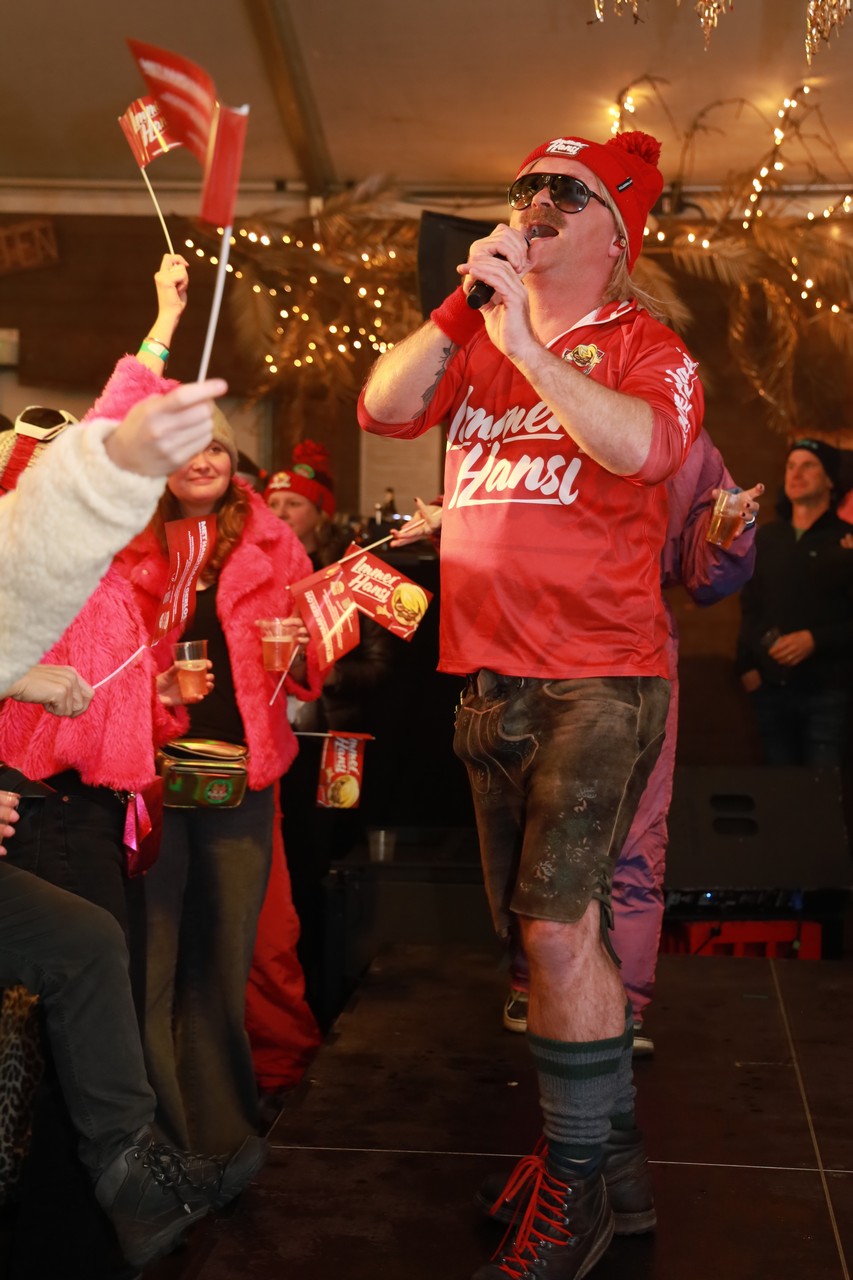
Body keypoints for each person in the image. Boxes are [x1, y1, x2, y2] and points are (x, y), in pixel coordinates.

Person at [358, 130, 705, 1279]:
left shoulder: (648, 347)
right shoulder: (474, 335)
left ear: (617, 234)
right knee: (546, 937)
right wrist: (465, 311)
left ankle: (575, 1190)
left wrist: (525, 344)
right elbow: (381, 405)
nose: (536, 200)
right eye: (525, 187)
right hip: (488, 676)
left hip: (599, 676)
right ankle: (613, 1169)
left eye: (569, 189)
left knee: (557, 925)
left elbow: (643, 448)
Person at [0, 385, 268, 1271]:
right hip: (41, 805)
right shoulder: (29, 556)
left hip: (86, 803)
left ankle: (114, 1206)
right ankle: (75, 1233)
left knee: (92, 986)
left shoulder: (86, 563)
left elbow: (92, 683)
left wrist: (147, 694)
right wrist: (20, 678)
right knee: (65, 1024)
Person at [393, 447, 762, 1057]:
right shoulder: (523, 415)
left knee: (628, 838)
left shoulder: (673, 428)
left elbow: (705, 573)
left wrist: (733, 525)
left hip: (624, 658)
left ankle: (622, 1003)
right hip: (516, 649)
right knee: (523, 832)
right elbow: (505, 514)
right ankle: (532, 983)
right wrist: (451, 520)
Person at [113, 258, 321, 1153]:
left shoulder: (274, 546)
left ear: (234, 459)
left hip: (241, 781)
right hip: (150, 781)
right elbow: (102, 659)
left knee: (224, 964)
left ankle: (223, 1134)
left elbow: (315, 658)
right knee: (151, 964)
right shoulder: (130, 544)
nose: (202, 458)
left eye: (217, 447)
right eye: (187, 445)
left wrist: (302, 646)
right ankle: (155, 1137)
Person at [265, 444, 395, 1026]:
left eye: (294, 503)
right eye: (273, 503)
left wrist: (320, 671)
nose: (281, 512)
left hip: (332, 744)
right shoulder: (253, 568)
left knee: (322, 871)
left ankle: (323, 998)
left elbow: (381, 669)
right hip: (266, 743)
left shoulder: (348, 573)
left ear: (320, 511)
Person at [736, 437, 853, 766]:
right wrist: (745, 666)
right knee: (778, 788)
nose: (796, 474)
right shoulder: (767, 537)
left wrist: (814, 639)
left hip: (828, 689)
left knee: (822, 787)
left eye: (808, 466)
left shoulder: (845, 539)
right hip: (770, 688)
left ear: (830, 480)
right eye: (791, 466)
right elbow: (750, 604)